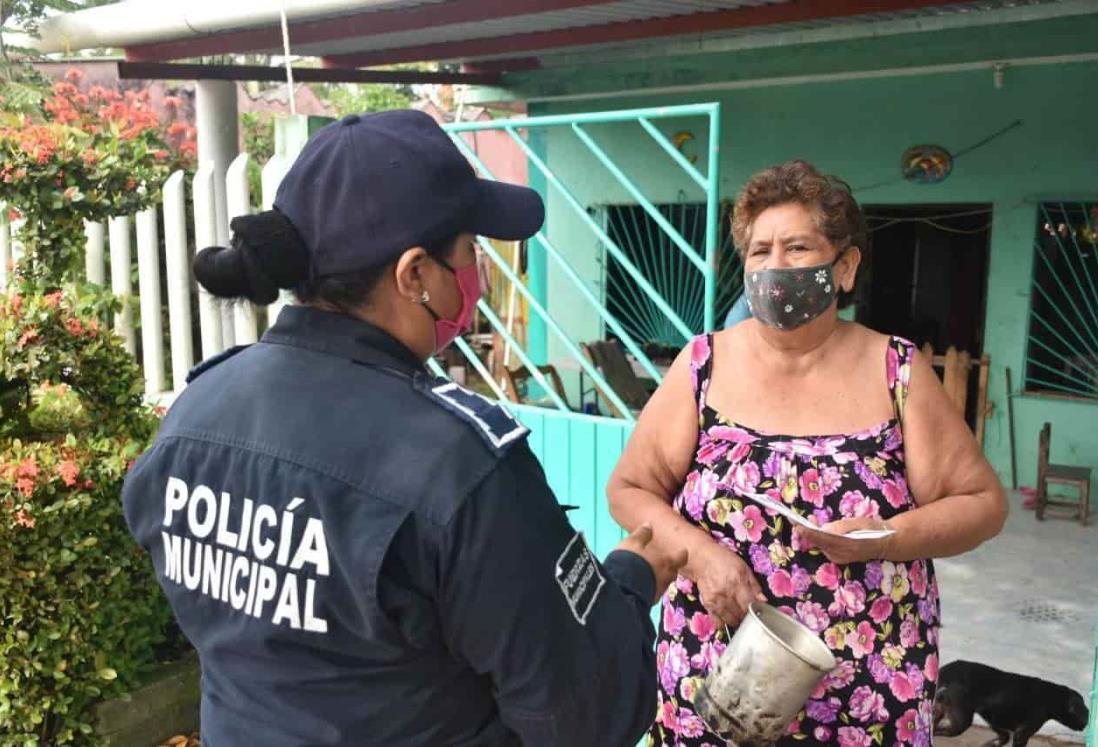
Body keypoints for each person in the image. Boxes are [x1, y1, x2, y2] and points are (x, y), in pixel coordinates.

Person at [122, 110, 685, 747]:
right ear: (414, 274)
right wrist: (631, 583)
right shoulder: (456, 463)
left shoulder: (195, 412)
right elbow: (585, 715)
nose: (477, 272)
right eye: (471, 252)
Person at [607, 160, 1007, 745]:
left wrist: (889, 535)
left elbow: (983, 504)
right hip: (720, 674)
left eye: (797, 247)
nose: (775, 268)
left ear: (844, 267)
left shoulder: (896, 371)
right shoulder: (702, 366)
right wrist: (699, 556)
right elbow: (629, 488)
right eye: (759, 250)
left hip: (869, 682)